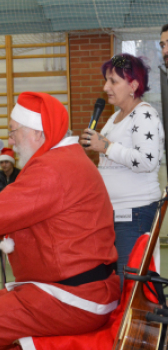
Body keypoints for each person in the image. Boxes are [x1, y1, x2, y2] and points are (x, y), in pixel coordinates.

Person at [0, 91, 120, 350]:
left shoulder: (51, 169)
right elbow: (2, 214)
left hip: (73, 297)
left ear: (39, 133)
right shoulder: (63, 160)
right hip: (81, 289)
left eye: (13, 131)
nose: (10, 140)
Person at [80, 54, 164, 290]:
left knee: (135, 284)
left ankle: (149, 327)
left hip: (135, 213)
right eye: (106, 80)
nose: (105, 87)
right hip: (113, 213)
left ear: (133, 85)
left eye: (113, 81)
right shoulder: (115, 117)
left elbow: (147, 161)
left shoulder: (144, 114)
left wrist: (105, 146)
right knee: (121, 283)